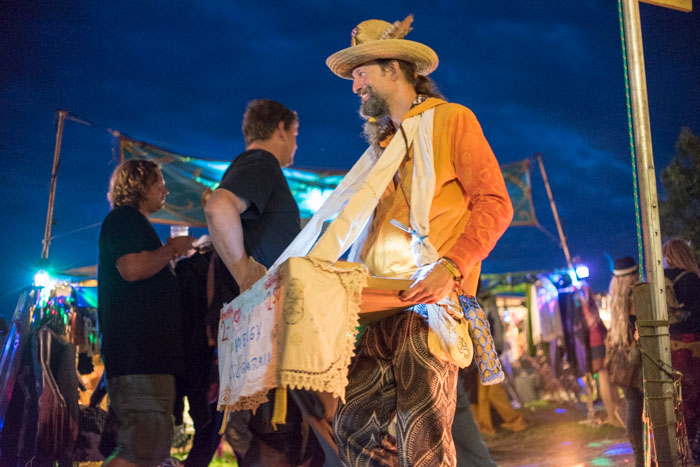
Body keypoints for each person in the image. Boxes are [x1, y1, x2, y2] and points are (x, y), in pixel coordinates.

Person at [326, 16, 514, 465]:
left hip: (429, 307)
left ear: (394, 69)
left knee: (422, 438)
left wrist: (450, 267)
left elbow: (495, 203)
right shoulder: (383, 150)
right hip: (379, 308)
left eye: (361, 74)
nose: (355, 87)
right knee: (351, 429)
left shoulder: (452, 120)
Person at [204, 99, 331, 466]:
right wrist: (248, 278)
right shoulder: (261, 162)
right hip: (268, 340)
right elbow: (217, 207)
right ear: (280, 129)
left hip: (261, 341)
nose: (296, 144)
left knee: (282, 443)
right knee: (282, 441)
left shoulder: (252, 168)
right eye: (295, 134)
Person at [98, 159, 194, 466]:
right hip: (139, 359)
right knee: (140, 450)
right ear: (139, 186)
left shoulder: (134, 224)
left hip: (145, 360)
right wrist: (172, 249)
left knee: (148, 450)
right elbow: (132, 268)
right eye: (159, 183)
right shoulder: (124, 219)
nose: (165, 190)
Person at [662, 239, 700, 463]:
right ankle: (693, 450)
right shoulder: (692, 279)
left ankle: (679, 451)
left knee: (676, 403)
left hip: (669, 349)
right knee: (694, 401)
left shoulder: (660, 281)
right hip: (693, 350)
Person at [605, 256, 643, 466]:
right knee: (645, 404)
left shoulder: (614, 298)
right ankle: (648, 455)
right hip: (638, 358)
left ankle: (639, 457)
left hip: (621, 358)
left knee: (632, 404)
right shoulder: (635, 297)